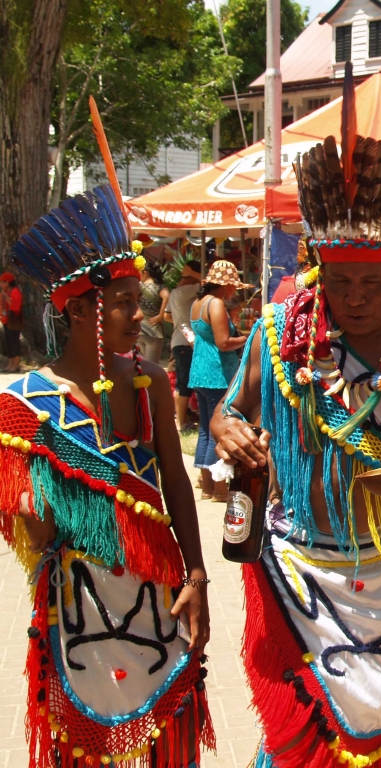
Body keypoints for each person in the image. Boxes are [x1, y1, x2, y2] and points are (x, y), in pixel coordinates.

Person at [210, 88, 381, 768]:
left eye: (373, 284)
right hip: (295, 563)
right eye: (341, 284)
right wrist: (227, 432)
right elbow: (228, 409)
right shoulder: (281, 335)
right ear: (317, 270)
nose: (358, 300)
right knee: (296, 735)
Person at [0, 185, 213, 767]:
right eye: (123, 301)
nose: (139, 314)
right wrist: (39, 507)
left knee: (167, 738)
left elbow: (176, 483)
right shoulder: (26, 406)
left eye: (136, 298)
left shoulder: (150, 381)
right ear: (78, 311)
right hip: (78, 606)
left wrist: (197, 576)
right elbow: (37, 536)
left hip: (161, 594)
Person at [190, 260, 248, 501]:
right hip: (218, 375)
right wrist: (248, 337)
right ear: (224, 286)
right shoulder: (215, 304)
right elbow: (224, 343)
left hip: (200, 373)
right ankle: (220, 488)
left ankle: (207, 488)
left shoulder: (198, 304)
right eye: (233, 286)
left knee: (205, 430)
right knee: (220, 431)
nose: (235, 291)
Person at [165, 259, 202, 430]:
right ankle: (181, 422)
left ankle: (183, 417)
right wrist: (192, 274)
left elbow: (167, 316)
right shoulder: (187, 290)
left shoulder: (175, 291)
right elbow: (208, 282)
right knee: (184, 383)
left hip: (179, 340)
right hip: (185, 343)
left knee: (183, 382)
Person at [138, 258, 170, 363]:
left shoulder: (138, 286)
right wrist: (161, 315)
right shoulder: (159, 287)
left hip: (140, 328)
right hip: (154, 330)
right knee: (152, 364)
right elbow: (166, 296)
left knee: (143, 364)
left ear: (145, 273)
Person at [0, 271, 24, 371]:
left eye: (2, 282)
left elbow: (15, 307)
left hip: (13, 321)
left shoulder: (15, 291)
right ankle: (10, 364)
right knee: (8, 342)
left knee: (14, 342)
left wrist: (6, 296)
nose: (1, 284)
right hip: (6, 320)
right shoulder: (4, 292)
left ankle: (16, 365)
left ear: (8, 282)